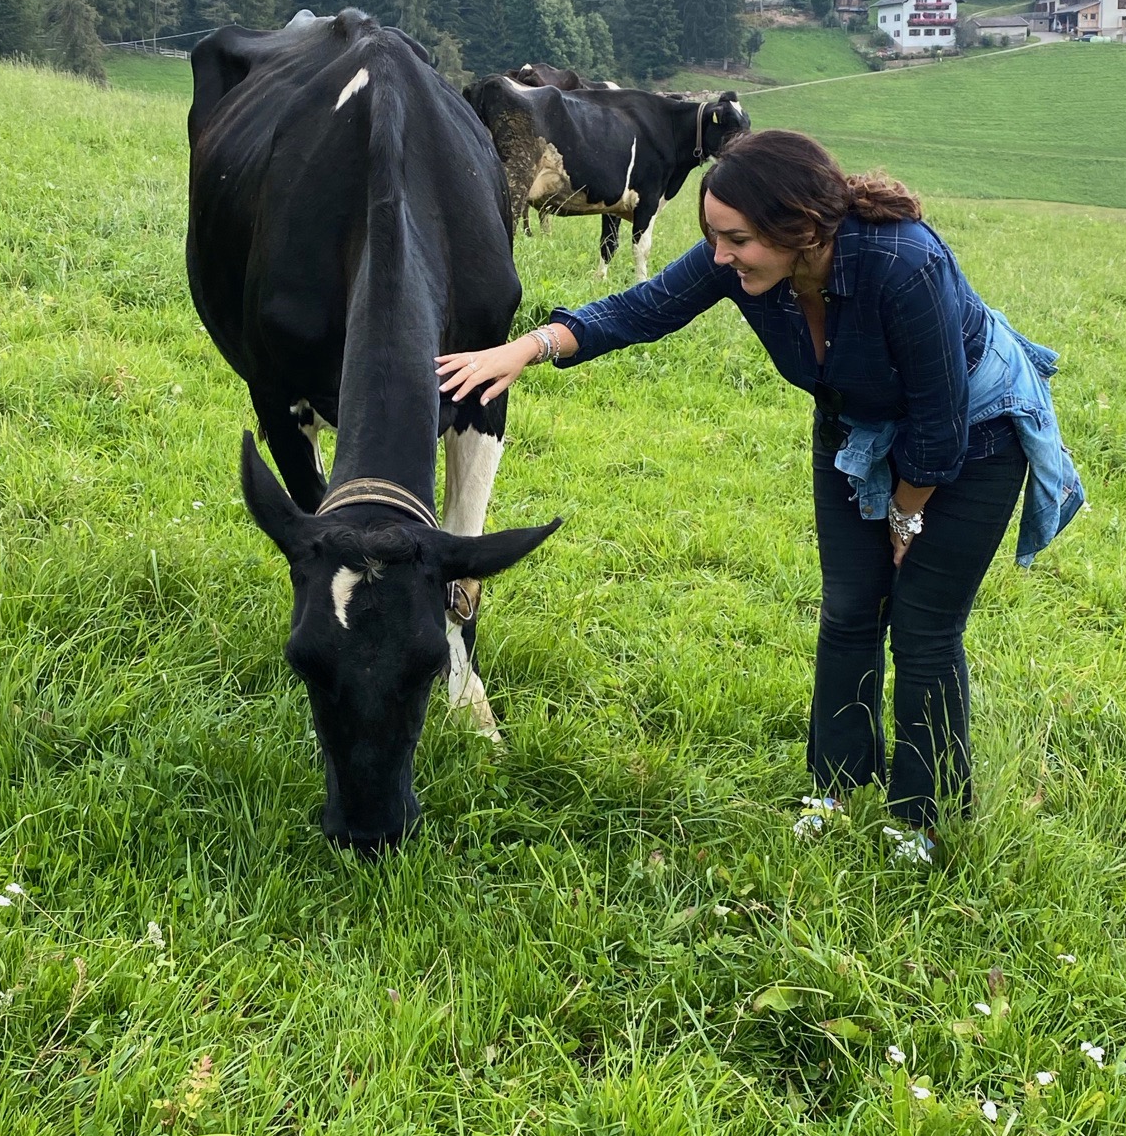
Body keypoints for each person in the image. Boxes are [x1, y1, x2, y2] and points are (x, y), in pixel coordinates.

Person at [437, 130, 1082, 848]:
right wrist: (525, 349)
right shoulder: (744, 263)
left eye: (736, 239)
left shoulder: (903, 263)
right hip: (853, 429)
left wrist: (904, 520)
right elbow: (643, 309)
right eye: (714, 236)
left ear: (801, 228)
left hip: (973, 439)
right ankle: (834, 792)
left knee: (925, 630)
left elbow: (940, 420)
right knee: (847, 615)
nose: (720, 256)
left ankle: (923, 821)